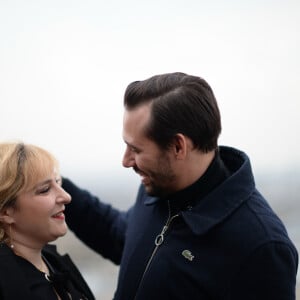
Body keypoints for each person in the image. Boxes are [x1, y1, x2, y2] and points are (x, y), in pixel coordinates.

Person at [62, 72, 298, 300]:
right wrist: (52, 185)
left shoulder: (261, 247)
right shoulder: (157, 188)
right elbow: (122, 236)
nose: (125, 161)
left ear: (178, 146)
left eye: (136, 149)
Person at [0, 142, 95, 300]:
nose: (66, 197)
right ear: (5, 212)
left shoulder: (55, 261)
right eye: (45, 190)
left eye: (58, 183)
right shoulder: (6, 283)